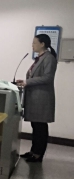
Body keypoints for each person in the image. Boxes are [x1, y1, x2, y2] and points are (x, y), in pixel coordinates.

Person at [16, 34, 58, 163]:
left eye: (34, 43)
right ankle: (33, 151)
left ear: (42, 44)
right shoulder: (39, 58)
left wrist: (27, 82)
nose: (32, 45)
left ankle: (38, 154)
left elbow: (48, 78)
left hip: (42, 98)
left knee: (40, 127)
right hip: (35, 98)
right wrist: (24, 81)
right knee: (35, 126)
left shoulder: (49, 58)